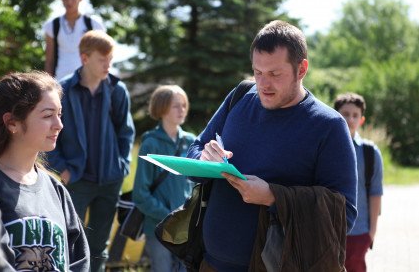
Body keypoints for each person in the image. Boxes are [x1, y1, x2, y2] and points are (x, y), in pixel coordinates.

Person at [186, 20, 358, 271]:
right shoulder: (240, 96)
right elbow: (194, 151)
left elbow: (344, 216)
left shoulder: (329, 126)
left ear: (302, 69)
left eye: (275, 74)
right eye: (258, 72)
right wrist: (203, 159)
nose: (263, 84)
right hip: (209, 263)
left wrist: (273, 197)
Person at [46, 30, 135, 272]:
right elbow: (50, 133)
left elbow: (125, 132)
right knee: (66, 240)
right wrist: (62, 169)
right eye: (102, 59)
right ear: (84, 58)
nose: (108, 64)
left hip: (110, 180)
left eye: (110, 59)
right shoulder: (62, 90)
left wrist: (122, 166)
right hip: (76, 179)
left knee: (98, 247)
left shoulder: (118, 90)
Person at [0, 71, 90, 271]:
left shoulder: (55, 189)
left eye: (59, 114)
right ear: (12, 122)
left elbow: (79, 259)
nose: (59, 125)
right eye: (48, 115)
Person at [132, 85, 196, 272]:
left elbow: (194, 184)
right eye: (176, 105)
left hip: (185, 229)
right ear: (162, 108)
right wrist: (168, 216)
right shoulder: (150, 143)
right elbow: (140, 194)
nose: (182, 109)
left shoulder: (191, 141)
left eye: (184, 105)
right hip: (158, 228)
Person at [334, 92, 383, 272]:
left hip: (359, 231)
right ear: (336, 115)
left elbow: (375, 193)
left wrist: (371, 233)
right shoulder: (325, 147)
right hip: (330, 230)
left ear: (361, 120)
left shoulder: (370, 153)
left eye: (355, 115)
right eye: (345, 114)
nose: (350, 119)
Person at [43, 0, 105, 80]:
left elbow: (102, 55)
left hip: (87, 81)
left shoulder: (94, 24)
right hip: (60, 81)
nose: (69, 1)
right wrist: (48, 84)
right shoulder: (52, 25)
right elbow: (49, 60)